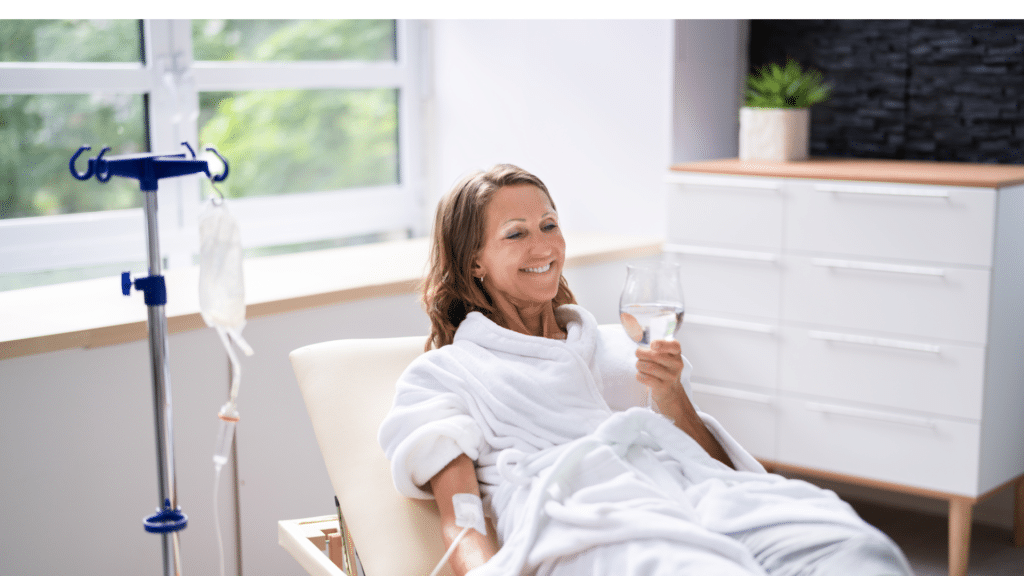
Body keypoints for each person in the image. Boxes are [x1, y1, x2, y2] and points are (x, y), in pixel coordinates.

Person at [378, 164, 913, 576]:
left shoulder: (616, 346)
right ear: (474, 261)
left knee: (853, 547)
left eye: (550, 225)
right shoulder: (447, 374)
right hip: (591, 525)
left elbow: (713, 468)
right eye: (516, 234)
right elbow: (462, 516)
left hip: (697, 498)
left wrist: (673, 394)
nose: (543, 246)